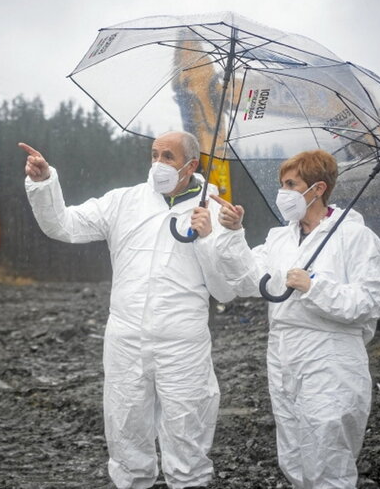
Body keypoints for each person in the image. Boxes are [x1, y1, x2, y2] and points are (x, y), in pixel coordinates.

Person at [19, 131, 236, 489]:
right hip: (126, 341)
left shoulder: (212, 209)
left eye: (168, 156)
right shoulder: (124, 202)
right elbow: (64, 226)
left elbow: (225, 289)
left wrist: (210, 237)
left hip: (182, 345)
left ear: (191, 165)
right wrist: (43, 182)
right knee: (126, 432)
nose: (158, 163)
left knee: (187, 435)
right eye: (154, 154)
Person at [191, 149, 380, 489]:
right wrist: (234, 232)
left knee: (327, 449)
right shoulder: (280, 238)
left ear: (318, 188)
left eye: (290, 184)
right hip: (283, 352)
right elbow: (248, 280)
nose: (282, 192)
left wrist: (315, 287)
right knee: (294, 449)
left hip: (331, 355)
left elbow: (371, 301)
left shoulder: (355, 237)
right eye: (282, 183)